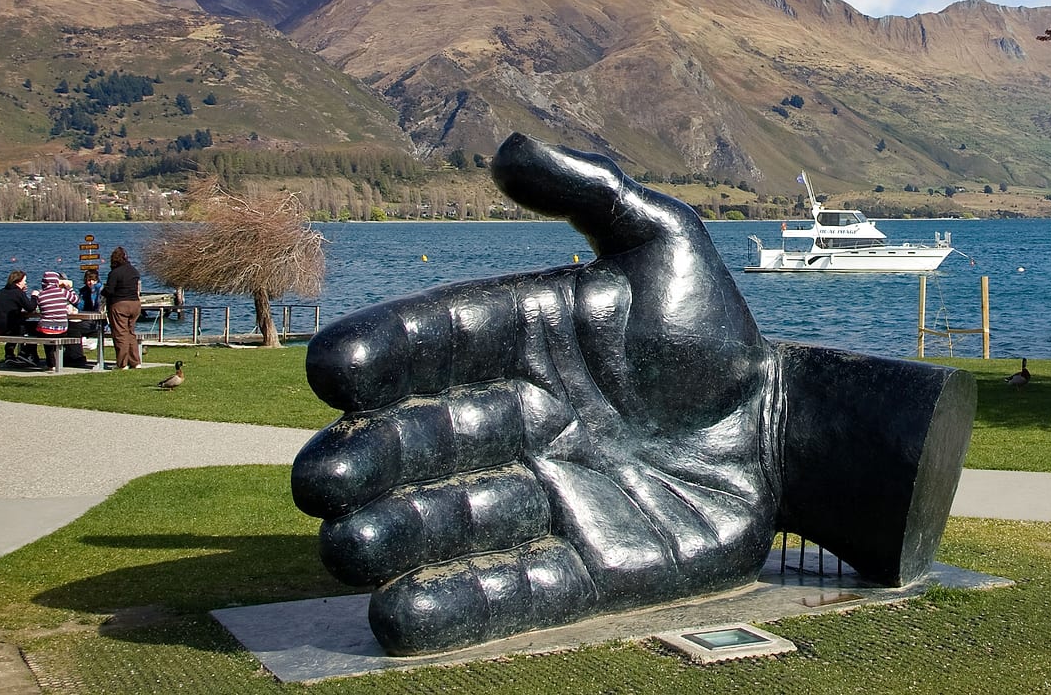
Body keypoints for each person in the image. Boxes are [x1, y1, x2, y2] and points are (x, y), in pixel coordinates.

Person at [292, 134, 975, 656]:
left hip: (718, 495)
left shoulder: (720, 400)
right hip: (726, 487)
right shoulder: (709, 362)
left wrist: (764, 446)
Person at [102, 246, 143, 370]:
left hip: (120, 305)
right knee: (130, 333)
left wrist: (102, 292)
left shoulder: (114, 273)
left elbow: (110, 290)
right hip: (135, 304)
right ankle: (135, 362)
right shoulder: (134, 271)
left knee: (120, 334)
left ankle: (122, 363)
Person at [31, 271, 78, 370]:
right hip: (62, 329)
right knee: (63, 331)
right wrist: (70, 288)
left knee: (38, 331)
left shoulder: (41, 295)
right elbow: (76, 300)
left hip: (45, 329)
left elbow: (37, 308)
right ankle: (60, 360)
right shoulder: (62, 292)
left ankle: (50, 363)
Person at [0, 270, 36, 366]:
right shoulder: (18, 293)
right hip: (8, 327)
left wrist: (22, 293)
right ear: (18, 281)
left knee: (19, 328)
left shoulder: (2, 291)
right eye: (24, 280)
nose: (25, 283)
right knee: (35, 328)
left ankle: (9, 354)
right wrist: (34, 296)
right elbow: (31, 307)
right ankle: (24, 353)